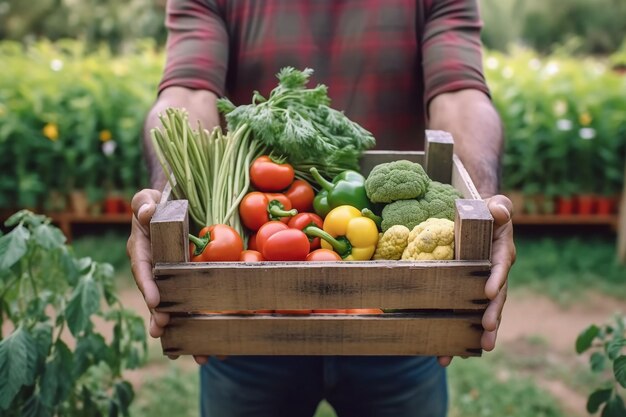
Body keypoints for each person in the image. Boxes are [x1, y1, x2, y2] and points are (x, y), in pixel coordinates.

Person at [127, 1, 516, 416]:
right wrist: (166, 196)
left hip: (399, 302)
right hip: (247, 307)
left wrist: (480, 203)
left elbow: (460, 93)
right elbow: (187, 91)